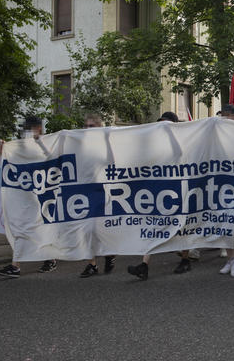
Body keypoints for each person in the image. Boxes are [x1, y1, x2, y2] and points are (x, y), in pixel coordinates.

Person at [127, 112, 192, 281]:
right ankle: (144, 265)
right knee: (154, 226)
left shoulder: (180, 142)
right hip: (160, 191)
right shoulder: (155, 144)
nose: (162, 127)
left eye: (166, 123)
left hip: (179, 190)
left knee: (182, 227)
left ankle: (186, 259)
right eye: (160, 123)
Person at [0, 116, 57, 277]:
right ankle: (18, 265)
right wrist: (4, 151)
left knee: (32, 229)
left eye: (31, 128)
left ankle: (46, 259)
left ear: (38, 129)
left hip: (36, 196)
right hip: (21, 196)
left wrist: (40, 142)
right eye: (27, 129)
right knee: (21, 228)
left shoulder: (44, 144)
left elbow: (51, 159)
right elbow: (10, 162)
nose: (29, 132)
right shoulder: (22, 145)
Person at [79, 114, 116, 278]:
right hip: (84, 193)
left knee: (100, 229)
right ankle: (91, 264)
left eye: (91, 126)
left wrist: (107, 141)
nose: (88, 129)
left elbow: (112, 163)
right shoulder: (80, 145)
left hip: (102, 192)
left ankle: (109, 254)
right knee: (86, 230)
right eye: (86, 126)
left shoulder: (103, 145)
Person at [218, 104, 234, 277]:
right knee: (223, 224)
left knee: (233, 223)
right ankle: (230, 259)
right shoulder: (215, 133)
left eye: (231, 117)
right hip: (219, 184)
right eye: (225, 117)